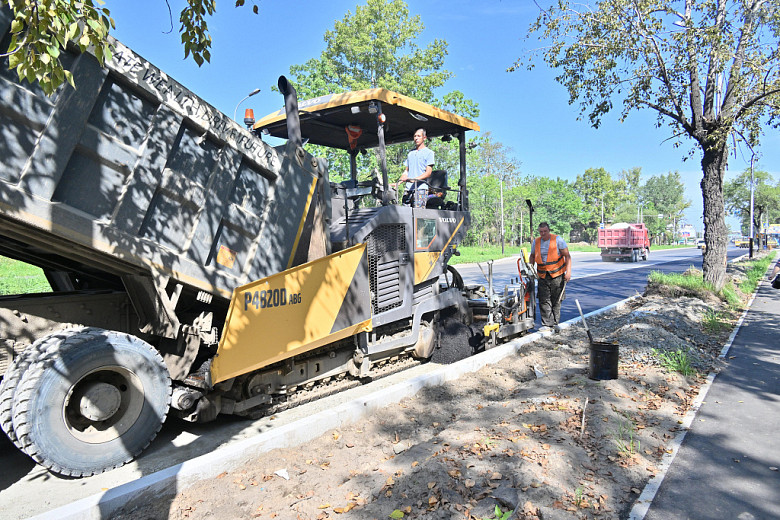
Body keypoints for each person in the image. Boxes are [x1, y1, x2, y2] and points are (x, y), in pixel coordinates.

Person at [529, 222, 572, 332]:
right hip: (542, 275)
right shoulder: (536, 241)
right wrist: (530, 270)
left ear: (549, 230)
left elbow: (567, 256)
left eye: (545, 231)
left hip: (557, 275)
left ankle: (555, 323)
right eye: (541, 232)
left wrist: (568, 272)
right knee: (544, 300)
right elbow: (532, 256)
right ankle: (547, 324)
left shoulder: (558, 240)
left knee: (556, 299)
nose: (543, 234)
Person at [398, 128, 434, 206]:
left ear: (424, 138)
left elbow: (428, 173)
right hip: (408, 189)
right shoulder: (410, 153)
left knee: (419, 215)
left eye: (418, 136)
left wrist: (414, 180)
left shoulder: (429, 153)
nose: (416, 138)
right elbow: (406, 171)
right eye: (415, 136)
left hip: (421, 189)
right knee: (405, 213)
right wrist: (399, 182)